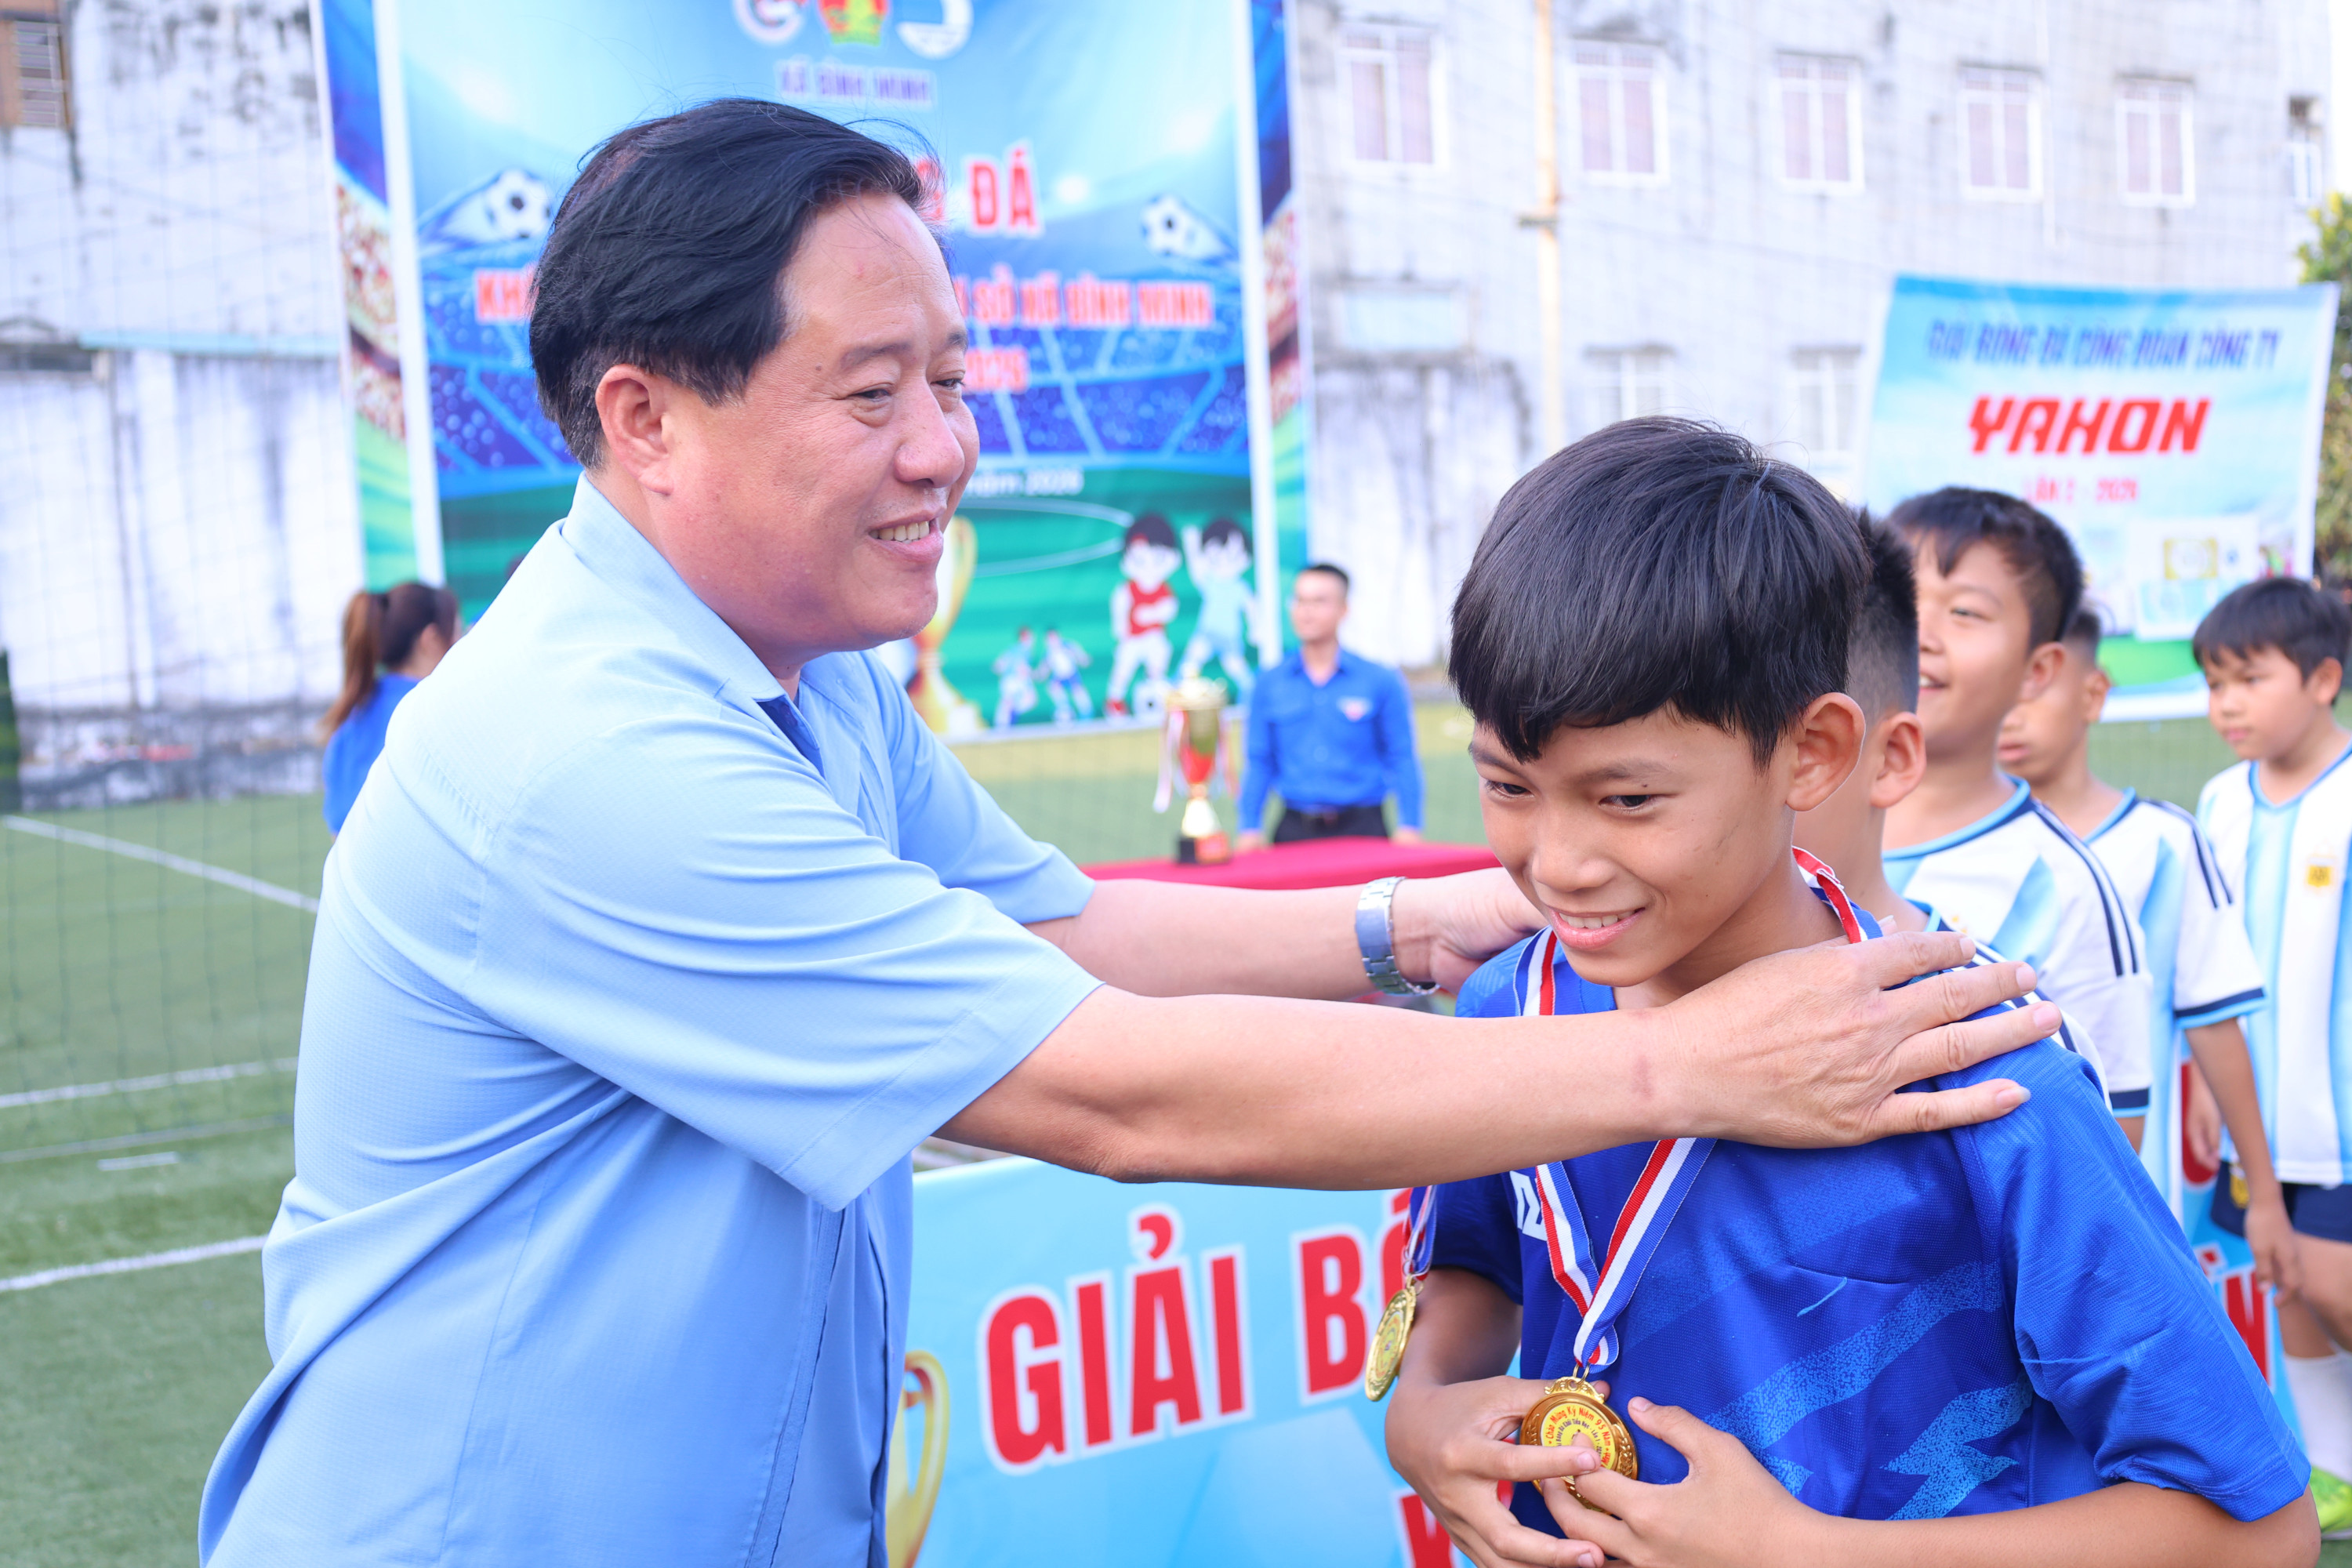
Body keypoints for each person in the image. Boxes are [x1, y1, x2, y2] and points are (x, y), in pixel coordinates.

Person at [197, 103, 2053, 1567]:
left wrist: (1424, 920)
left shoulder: (808, 675)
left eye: (949, 378)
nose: (945, 445)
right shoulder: (584, 752)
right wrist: (1684, 1061)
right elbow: (1109, 1090)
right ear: (646, 418)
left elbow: (1057, 929)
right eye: (873, 391)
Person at [1384, 418, 2314, 1568]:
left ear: (1817, 752)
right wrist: (1423, 1408)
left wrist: (1805, 1550)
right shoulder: (1507, 1011)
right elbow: (1471, 1267)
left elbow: (2257, 1528)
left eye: (1626, 800)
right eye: (1509, 785)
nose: (1560, 864)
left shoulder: (1979, 1073)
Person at [1998, 605, 2293, 1292]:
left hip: (2141, 1204)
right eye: (1997, 692)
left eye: (2033, 688)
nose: (2010, 715)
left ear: (2093, 693)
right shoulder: (1959, 855)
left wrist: (2264, 1193)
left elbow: (2214, 1022)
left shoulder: (2167, 841)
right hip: (1999, 1215)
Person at [1880, 487, 2153, 1139]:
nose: (1921, 632)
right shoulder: (1784, 823)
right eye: (1899, 597)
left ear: (2038, 670)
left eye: (1965, 611)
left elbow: (2114, 1133)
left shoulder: (2067, 885)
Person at [2195, 576, 2352, 1532]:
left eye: (2250, 679)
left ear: (2324, 679)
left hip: (2338, 1117)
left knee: (2330, 1278)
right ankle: (2335, 1473)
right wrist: (2206, 1087)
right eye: (2215, 683)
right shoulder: (2220, 801)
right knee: (2287, 1281)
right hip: (2254, 1112)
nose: (2228, 704)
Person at [1236, 562, 1425, 851]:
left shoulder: (1380, 680)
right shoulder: (1269, 683)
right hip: (1294, 830)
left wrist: (1410, 824)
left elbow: (1401, 756)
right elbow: (1260, 760)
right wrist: (1249, 826)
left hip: (1364, 828)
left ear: (1343, 609)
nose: (1306, 611)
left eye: (1319, 601)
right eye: (1300, 600)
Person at [317, 581, 458, 833]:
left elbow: (339, 835)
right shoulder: (435, 711)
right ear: (431, 640)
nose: (464, 644)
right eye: (458, 633)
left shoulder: (349, 722)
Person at [1104, 513, 1181, 717]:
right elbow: (1119, 607)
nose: (1148, 566)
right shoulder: (1127, 589)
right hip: (1132, 638)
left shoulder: (1162, 588)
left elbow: (1169, 608)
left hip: (1154, 636)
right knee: (1123, 667)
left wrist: (1152, 613)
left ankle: (1157, 696)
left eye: (1156, 558)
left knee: (1159, 659)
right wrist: (1120, 628)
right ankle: (1115, 701)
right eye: (1140, 559)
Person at [1177, 516, 1259, 702]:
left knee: (1237, 668)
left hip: (1230, 637)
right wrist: (1191, 544)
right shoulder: (1209, 582)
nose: (1224, 563)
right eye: (1215, 558)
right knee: (1190, 664)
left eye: (1232, 557)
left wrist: (1255, 629)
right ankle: (1175, 694)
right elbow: (1196, 569)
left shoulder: (1241, 588)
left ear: (1246, 558)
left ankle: (1252, 697)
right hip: (1207, 632)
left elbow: (1251, 607)